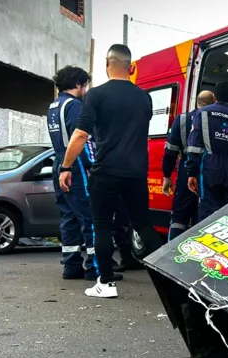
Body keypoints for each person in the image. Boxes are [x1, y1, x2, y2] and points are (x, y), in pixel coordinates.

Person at [59, 44, 164, 299]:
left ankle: (105, 284)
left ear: (108, 64)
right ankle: (169, 284)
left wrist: (66, 166)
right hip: (137, 172)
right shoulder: (144, 97)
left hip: (106, 171)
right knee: (143, 225)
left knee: (102, 225)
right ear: (130, 66)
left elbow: (81, 134)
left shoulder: (96, 95)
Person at [47, 65, 131, 281]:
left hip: (59, 162)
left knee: (69, 217)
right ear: (78, 84)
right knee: (92, 218)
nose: (86, 90)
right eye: (85, 85)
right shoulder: (75, 106)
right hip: (75, 166)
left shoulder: (54, 106)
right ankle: (97, 268)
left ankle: (71, 265)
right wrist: (94, 167)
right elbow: (82, 139)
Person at [185, 81, 228, 221]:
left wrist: (192, 173)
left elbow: (194, 147)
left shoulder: (203, 113)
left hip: (210, 169)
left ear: (214, 97)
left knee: (208, 215)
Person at [163, 90, 215, 240]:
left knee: (179, 216)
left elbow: (170, 151)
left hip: (186, 171)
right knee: (207, 215)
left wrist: (167, 176)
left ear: (197, 102)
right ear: (214, 100)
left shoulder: (182, 119)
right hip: (209, 172)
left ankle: (171, 255)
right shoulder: (214, 119)